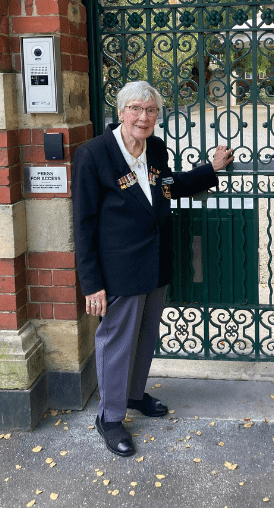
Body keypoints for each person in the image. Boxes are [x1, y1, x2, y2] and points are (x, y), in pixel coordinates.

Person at [73, 81, 235, 457]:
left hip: (156, 261)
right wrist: (91, 284)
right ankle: (110, 418)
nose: (143, 118)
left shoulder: (156, 149)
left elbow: (168, 186)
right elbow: (82, 224)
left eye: (151, 111)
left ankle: (132, 395)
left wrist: (209, 169)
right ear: (121, 111)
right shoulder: (94, 155)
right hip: (118, 271)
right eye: (136, 109)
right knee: (116, 342)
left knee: (146, 337)